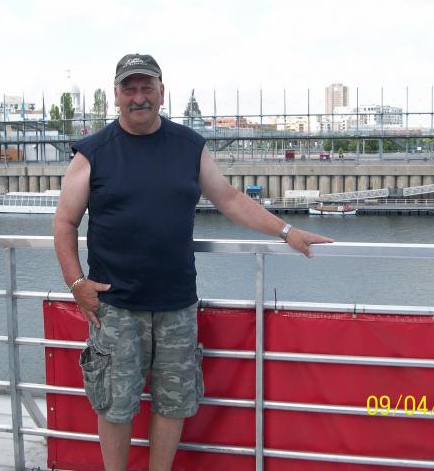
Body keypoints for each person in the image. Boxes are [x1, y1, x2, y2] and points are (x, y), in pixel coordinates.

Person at [53, 53, 333, 471]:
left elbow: (230, 199)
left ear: (162, 92)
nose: (139, 97)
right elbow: (64, 221)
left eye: (147, 87)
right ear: (116, 96)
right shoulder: (93, 152)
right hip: (115, 306)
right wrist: (77, 284)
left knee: (174, 402)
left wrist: (287, 231)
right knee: (114, 405)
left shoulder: (189, 146)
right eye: (130, 89)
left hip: (177, 305)